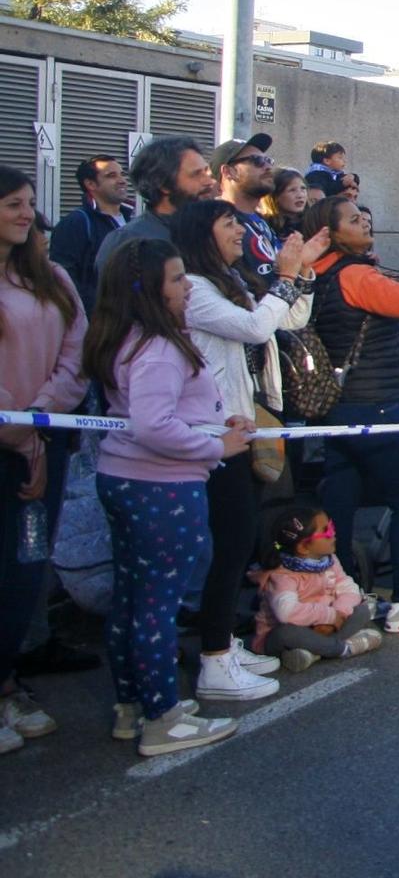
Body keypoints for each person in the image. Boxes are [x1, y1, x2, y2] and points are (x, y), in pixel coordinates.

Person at [85, 239, 254, 756]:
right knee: (156, 604)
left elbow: (159, 411)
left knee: (133, 598)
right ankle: (164, 717)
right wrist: (215, 444)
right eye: (178, 279)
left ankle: (132, 705)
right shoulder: (157, 346)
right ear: (149, 290)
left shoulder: (130, 338)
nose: (188, 288)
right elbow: (152, 423)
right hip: (161, 486)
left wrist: (214, 421)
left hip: (131, 479)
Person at [174, 199, 326, 702]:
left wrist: (301, 273)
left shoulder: (226, 281)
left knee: (236, 545)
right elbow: (257, 327)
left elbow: (287, 319)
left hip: (238, 426)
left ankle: (222, 645)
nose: (240, 231)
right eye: (229, 223)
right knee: (228, 545)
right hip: (210, 434)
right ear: (202, 233)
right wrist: (286, 274)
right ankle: (214, 659)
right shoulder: (193, 289)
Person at [298, 194, 399, 636]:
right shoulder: (354, 275)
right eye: (353, 219)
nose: (365, 223)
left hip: (336, 407)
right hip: (376, 407)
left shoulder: (320, 276)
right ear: (331, 233)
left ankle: (348, 592)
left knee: (341, 504)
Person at [0, 168, 89, 753]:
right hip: (12, 442)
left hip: (43, 441)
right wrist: (16, 426)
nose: (27, 213)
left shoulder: (52, 276)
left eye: (31, 203)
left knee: (25, 570)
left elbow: (76, 351)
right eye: (13, 203)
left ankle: (7, 685)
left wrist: (40, 415)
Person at [250, 505, 382, 671]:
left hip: (327, 625)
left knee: (362, 609)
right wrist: (328, 616)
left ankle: (314, 652)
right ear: (303, 547)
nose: (333, 534)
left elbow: (349, 588)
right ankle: (341, 648)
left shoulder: (330, 560)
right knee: (286, 633)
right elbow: (286, 613)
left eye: (332, 527)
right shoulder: (283, 575)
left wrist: (338, 614)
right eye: (326, 531)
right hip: (291, 630)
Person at [97, 136, 218, 276]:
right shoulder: (129, 242)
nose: (209, 182)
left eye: (206, 171)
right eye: (196, 174)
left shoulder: (209, 233)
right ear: (164, 185)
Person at [48, 154, 127, 307]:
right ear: (91, 184)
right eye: (111, 175)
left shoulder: (134, 220)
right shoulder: (76, 223)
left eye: (122, 174)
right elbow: (65, 279)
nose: (122, 180)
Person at [213, 134, 281, 289]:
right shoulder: (216, 222)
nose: (268, 167)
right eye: (257, 161)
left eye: (268, 160)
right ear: (229, 172)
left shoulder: (260, 220)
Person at [260, 167, 309, 239]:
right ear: (275, 196)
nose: (300, 195)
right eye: (292, 190)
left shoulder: (312, 222)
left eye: (303, 188)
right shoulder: (265, 226)